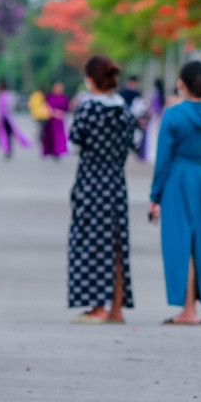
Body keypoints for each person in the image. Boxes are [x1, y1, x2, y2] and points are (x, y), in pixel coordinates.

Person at [147, 60, 201, 325]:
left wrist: (155, 195)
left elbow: (163, 160)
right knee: (200, 243)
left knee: (180, 241)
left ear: (181, 83)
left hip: (178, 181)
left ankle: (187, 311)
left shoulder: (174, 116)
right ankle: (191, 309)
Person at [67, 54, 136, 323]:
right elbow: (132, 142)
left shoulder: (87, 109)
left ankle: (96, 306)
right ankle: (116, 306)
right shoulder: (124, 111)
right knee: (117, 243)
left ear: (91, 79)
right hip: (116, 183)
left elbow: (74, 143)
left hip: (91, 183)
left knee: (91, 242)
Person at [42, 81, 71, 159]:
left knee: (60, 136)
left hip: (60, 120)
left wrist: (61, 114)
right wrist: (54, 113)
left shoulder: (64, 98)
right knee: (51, 135)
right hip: (52, 119)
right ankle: (51, 151)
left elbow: (66, 108)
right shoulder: (50, 97)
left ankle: (59, 151)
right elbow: (47, 106)